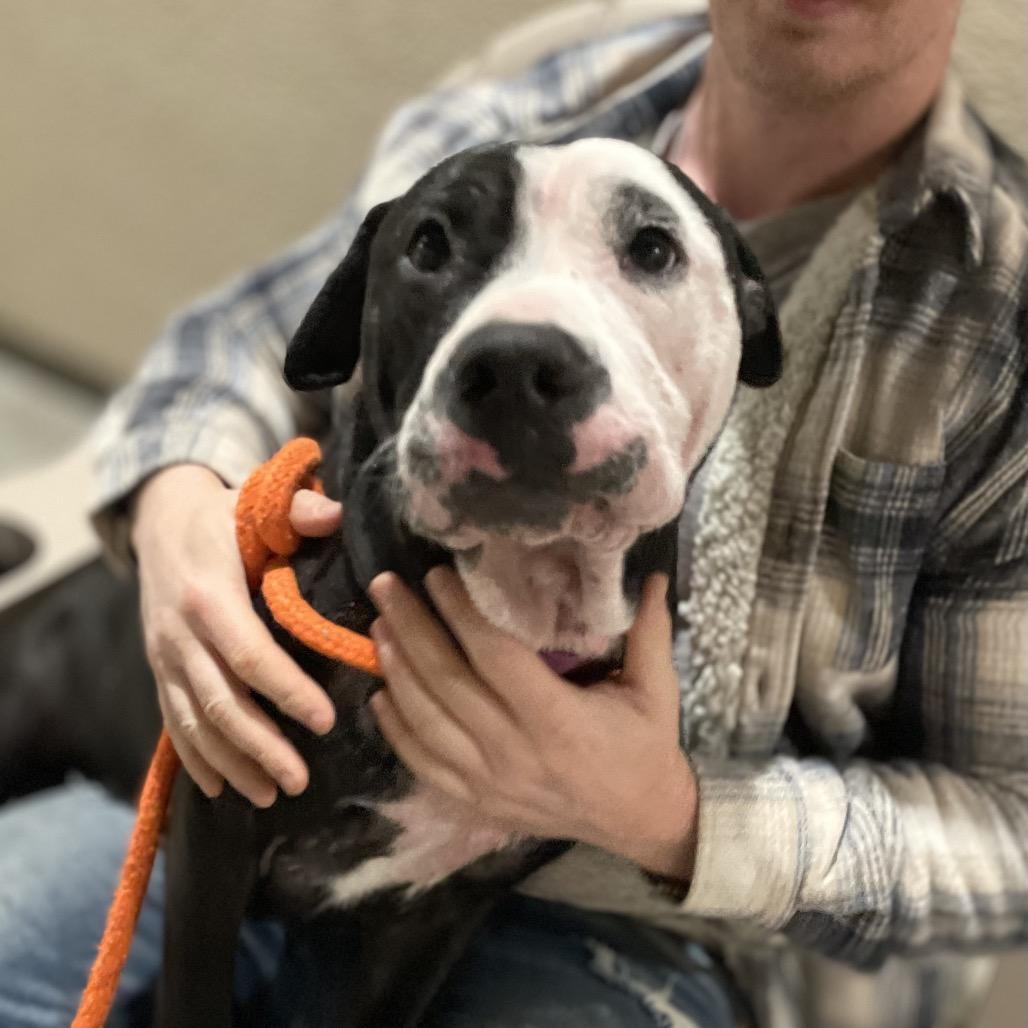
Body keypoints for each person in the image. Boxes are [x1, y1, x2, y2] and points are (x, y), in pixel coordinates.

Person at [2, 1, 1026, 1025]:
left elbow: (1008, 838)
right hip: (295, 786)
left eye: (650, 255)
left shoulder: (999, 305)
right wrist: (180, 500)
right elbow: (249, 336)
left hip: (662, 919)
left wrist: (670, 815)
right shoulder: (546, 85)